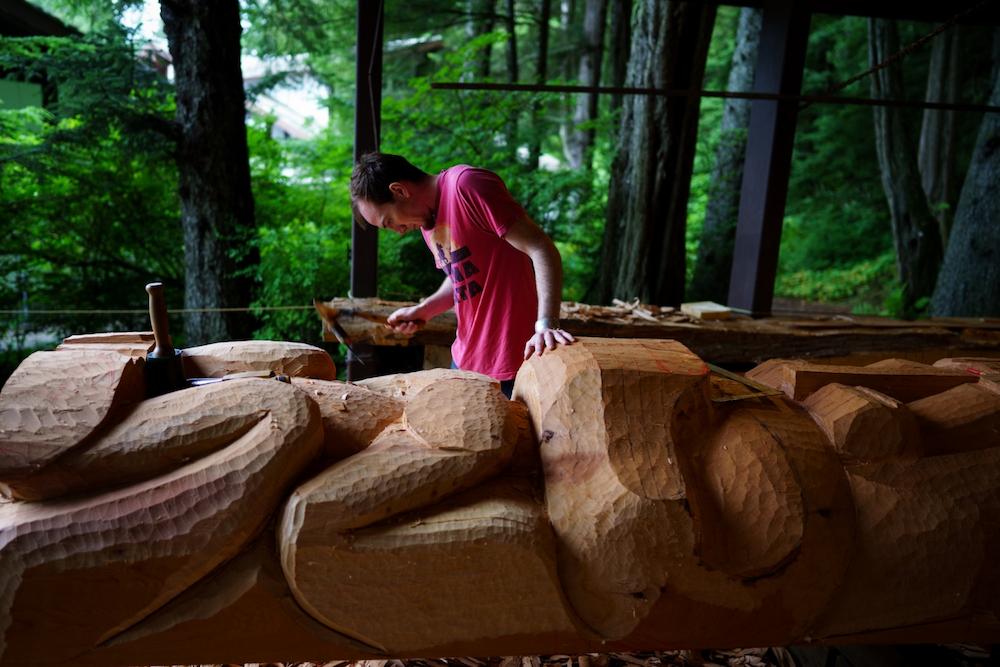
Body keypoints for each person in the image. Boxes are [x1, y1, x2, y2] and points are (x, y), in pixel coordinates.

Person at [350, 152, 574, 397]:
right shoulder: (428, 224)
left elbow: (541, 248)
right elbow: (461, 275)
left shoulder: (467, 185)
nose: (399, 231)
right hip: (464, 361)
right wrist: (425, 309)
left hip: (516, 361)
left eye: (389, 221)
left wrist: (545, 325)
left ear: (400, 191)